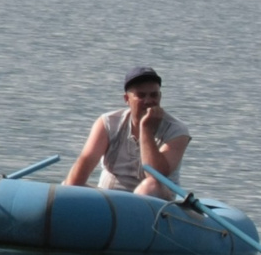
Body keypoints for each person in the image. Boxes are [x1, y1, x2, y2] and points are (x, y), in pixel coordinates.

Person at [64, 65, 190, 199]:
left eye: (153, 95)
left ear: (160, 96)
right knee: (68, 186)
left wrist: (146, 129)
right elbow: (78, 175)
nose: (148, 101)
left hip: (157, 204)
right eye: (141, 96)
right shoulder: (108, 123)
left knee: (150, 185)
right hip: (111, 202)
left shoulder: (177, 130)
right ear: (127, 99)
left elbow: (155, 175)